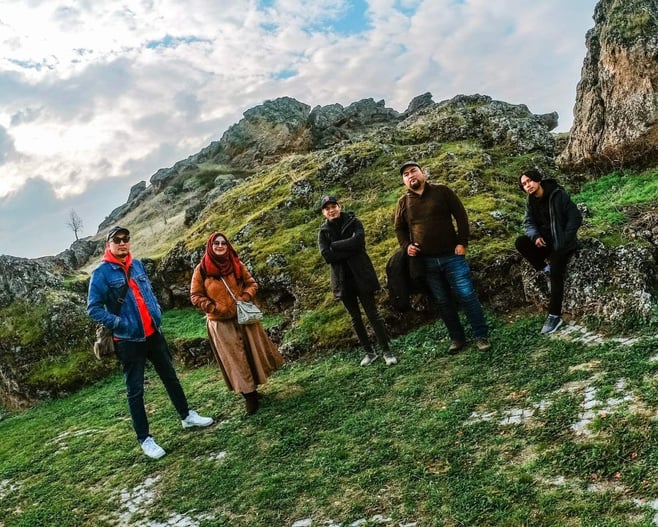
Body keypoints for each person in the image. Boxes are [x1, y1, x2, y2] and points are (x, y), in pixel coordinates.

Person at [87, 226, 214, 460]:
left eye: (126, 239)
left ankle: (186, 416)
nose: (123, 243)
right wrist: (119, 322)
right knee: (135, 391)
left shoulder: (137, 265)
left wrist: (155, 311)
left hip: (153, 333)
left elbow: (148, 293)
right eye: (117, 240)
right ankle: (145, 439)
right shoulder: (101, 274)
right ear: (109, 245)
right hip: (128, 340)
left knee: (170, 377)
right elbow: (93, 308)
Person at [394, 161, 491, 354]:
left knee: (467, 295)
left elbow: (461, 216)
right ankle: (457, 338)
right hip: (427, 261)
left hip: (452, 256)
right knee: (443, 301)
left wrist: (462, 243)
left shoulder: (442, 191)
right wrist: (407, 247)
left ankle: (481, 336)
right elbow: (399, 228)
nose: (410, 175)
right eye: (406, 174)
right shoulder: (403, 202)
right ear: (404, 181)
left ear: (423, 173)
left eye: (414, 171)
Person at [190, 232, 284, 415]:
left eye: (223, 243)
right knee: (235, 360)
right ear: (210, 246)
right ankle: (249, 396)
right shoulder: (201, 270)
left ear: (227, 245)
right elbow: (195, 295)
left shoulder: (235, 264)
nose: (219, 246)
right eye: (216, 243)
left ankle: (254, 391)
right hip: (220, 323)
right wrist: (211, 307)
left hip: (243, 318)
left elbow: (252, 283)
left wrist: (244, 297)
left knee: (250, 354)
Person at [318, 195, 398, 367]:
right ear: (323, 212)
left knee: (373, 314)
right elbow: (327, 255)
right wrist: (350, 247)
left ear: (340, 206)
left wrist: (336, 245)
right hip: (342, 281)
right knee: (355, 318)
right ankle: (369, 353)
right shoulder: (323, 232)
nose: (331, 210)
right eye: (327, 208)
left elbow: (359, 243)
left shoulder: (353, 221)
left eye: (334, 206)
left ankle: (386, 351)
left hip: (361, 275)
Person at [515, 168, 583, 335]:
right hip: (544, 243)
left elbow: (575, 217)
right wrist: (535, 236)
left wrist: (564, 240)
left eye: (529, 181)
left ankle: (554, 316)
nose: (527, 186)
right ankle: (544, 268)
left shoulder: (558, 194)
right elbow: (528, 222)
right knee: (520, 242)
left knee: (556, 273)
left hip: (562, 244)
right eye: (524, 184)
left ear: (537, 180)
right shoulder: (530, 201)